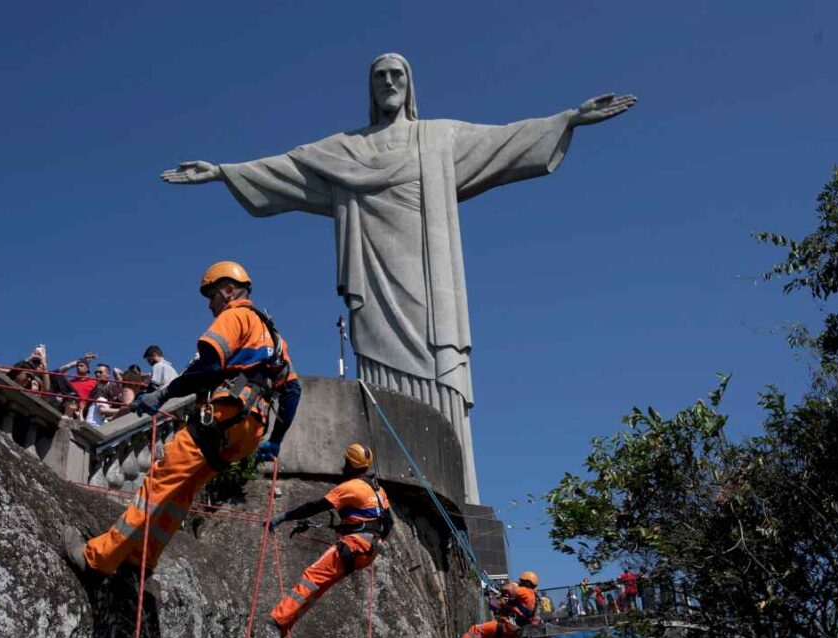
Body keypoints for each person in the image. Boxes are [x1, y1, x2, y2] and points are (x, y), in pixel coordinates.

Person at [161, 53, 636, 502]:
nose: (389, 82)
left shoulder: (438, 139)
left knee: (440, 362)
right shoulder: (345, 150)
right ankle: (385, 466)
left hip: (430, 275)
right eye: (379, 76)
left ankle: (460, 492)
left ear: (409, 86)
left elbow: (506, 139)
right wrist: (223, 172)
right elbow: (286, 167)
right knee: (381, 366)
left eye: (397, 75)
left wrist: (569, 118)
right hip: (374, 279)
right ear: (370, 88)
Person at [61, 261, 303, 576]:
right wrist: (277, 439)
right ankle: (142, 561)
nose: (210, 305)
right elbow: (293, 390)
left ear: (229, 290)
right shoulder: (275, 337)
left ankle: (98, 557)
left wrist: (164, 395)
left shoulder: (235, 316)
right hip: (249, 430)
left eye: (212, 296)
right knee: (183, 492)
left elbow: (209, 367)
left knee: (159, 484)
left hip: (223, 415)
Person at [267, 443, 392, 634]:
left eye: (346, 463)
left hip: (353, 546)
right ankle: (285, 627)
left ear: (350, 464)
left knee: (312, 577)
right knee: (318, 587)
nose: (343, 467)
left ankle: (276, 622)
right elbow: (388, 522)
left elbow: (315, 507)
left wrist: (283, 517)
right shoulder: (378, 490)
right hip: (367, 552)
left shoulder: (350, 487)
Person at [445, 571, 541, 638]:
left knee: (476, 630)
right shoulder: (535, 600)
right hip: (513, 632)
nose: (520, 582)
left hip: (505, 625)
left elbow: (509, 589)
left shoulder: (526, 591)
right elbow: (528, 618)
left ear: (528, 583)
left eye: (522, 581)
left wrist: (504, 591)